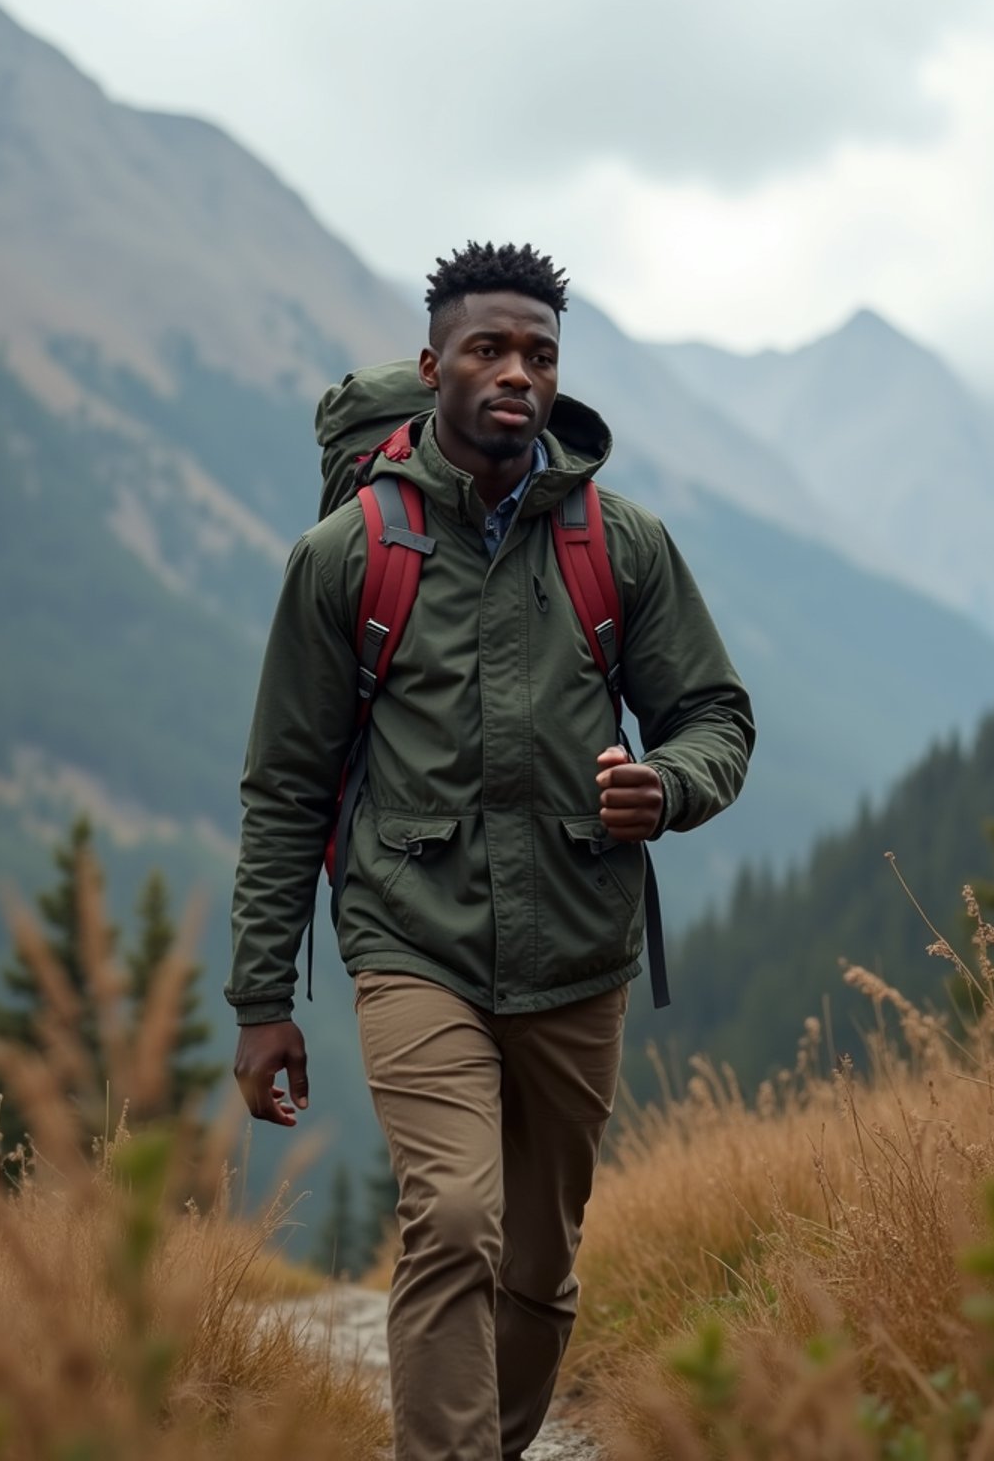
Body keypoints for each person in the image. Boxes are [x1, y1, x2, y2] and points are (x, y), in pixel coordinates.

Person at [226, 241, 755, 1461]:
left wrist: (664, 789)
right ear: (434, 367)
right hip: (412, 938)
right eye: (489, 349)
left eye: (538, 353)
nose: (516, 372)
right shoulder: (347, 558)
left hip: (579, 946)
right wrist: (263, 1001)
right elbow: (285, 788)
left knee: (539, 1260)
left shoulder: (617, 544)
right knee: (455, 1220)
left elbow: (714, 717)